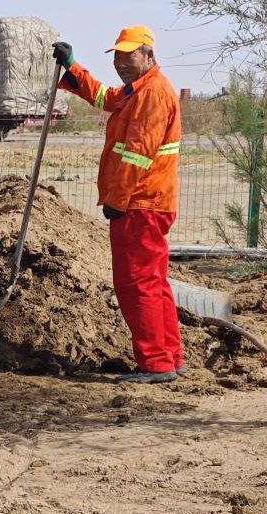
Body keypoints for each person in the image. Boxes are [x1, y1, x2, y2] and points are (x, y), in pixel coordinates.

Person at [53, 27, 185, 384]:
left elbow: (137, 156)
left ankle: (155, 363)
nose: (121, 63)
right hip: (149, 201)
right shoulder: (138, 90)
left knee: (136, 284)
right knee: (154, 283)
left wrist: (117, 199)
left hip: (140, 203)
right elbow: (104, 97)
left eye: (129, 56)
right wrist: (73, 67)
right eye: (117, 56)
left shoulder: (153, 94)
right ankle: (170, 356)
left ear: (148, 55)